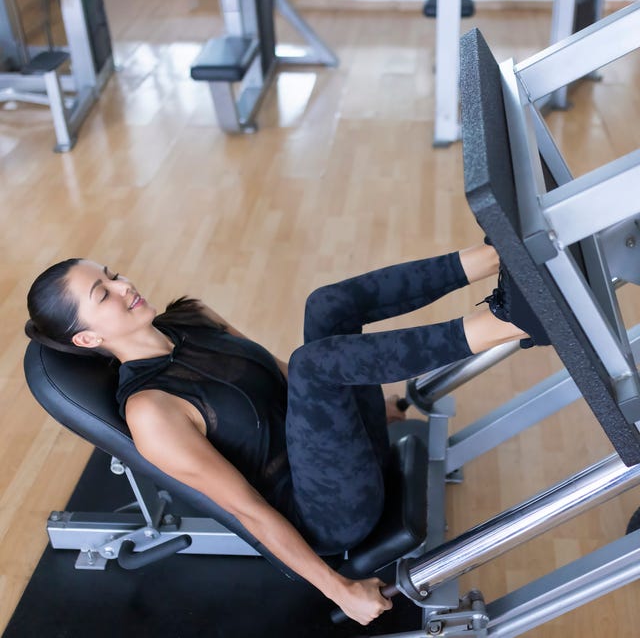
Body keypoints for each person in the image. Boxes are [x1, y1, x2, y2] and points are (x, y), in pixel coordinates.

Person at [25, 245, 547, 626]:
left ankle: (497, 254)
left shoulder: (190, 316)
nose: (124, 286)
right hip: (327, 512)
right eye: (104, 294)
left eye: (113, 274)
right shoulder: (150, 411)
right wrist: (339, 590)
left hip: (344, 455)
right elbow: (247, 512)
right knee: (315, 363)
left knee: (326, 306)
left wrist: (363, 409)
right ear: (88, 338)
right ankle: (511, 322)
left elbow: (286, 380)